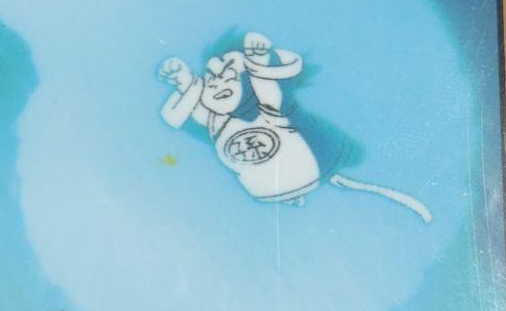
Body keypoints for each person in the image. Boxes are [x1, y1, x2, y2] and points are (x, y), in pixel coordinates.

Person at [157, 31, 431, 222]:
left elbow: (268, 87)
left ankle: (298, 191)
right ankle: (294, 193)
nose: (218, 84)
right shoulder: (216, 122)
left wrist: (259, 60)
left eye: (230, 76)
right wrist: (185, 83)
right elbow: (186, 114)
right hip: (274, 184)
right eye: (211, 79)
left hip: (296, 174)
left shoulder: (267, 106)